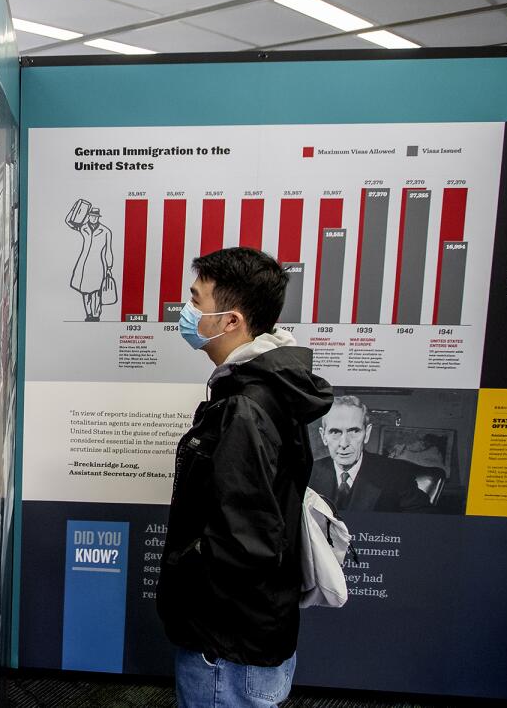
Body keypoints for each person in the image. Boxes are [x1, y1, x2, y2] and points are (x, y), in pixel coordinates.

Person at [157, 247, 332, 708]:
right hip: (244, 634)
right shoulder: (262, 388)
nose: (186, 311)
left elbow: (246, 541)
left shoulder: (246, 406)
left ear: (230, 321)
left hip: (226, 645)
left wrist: (184, 569)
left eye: (196, 301)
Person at [310, 396, 431, 512]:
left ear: (366, 434)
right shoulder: (306, 475)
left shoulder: (396, 474)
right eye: (335, 432)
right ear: (323, 436)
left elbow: (424, 520)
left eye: (354, 431)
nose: (344, 443)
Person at [67, 206, 113, 321]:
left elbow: (108, 250)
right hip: (83, 264)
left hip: (98, 264)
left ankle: (96, 315)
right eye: (92, 216)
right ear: (88, 216)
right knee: (85, 292)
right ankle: (89, 315)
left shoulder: (106, 231)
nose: (93, 218)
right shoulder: (83, 228)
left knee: (97, 292)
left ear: (98, 217)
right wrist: (75, 207)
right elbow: (69, 221)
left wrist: (109, 267)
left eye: (96, 217)